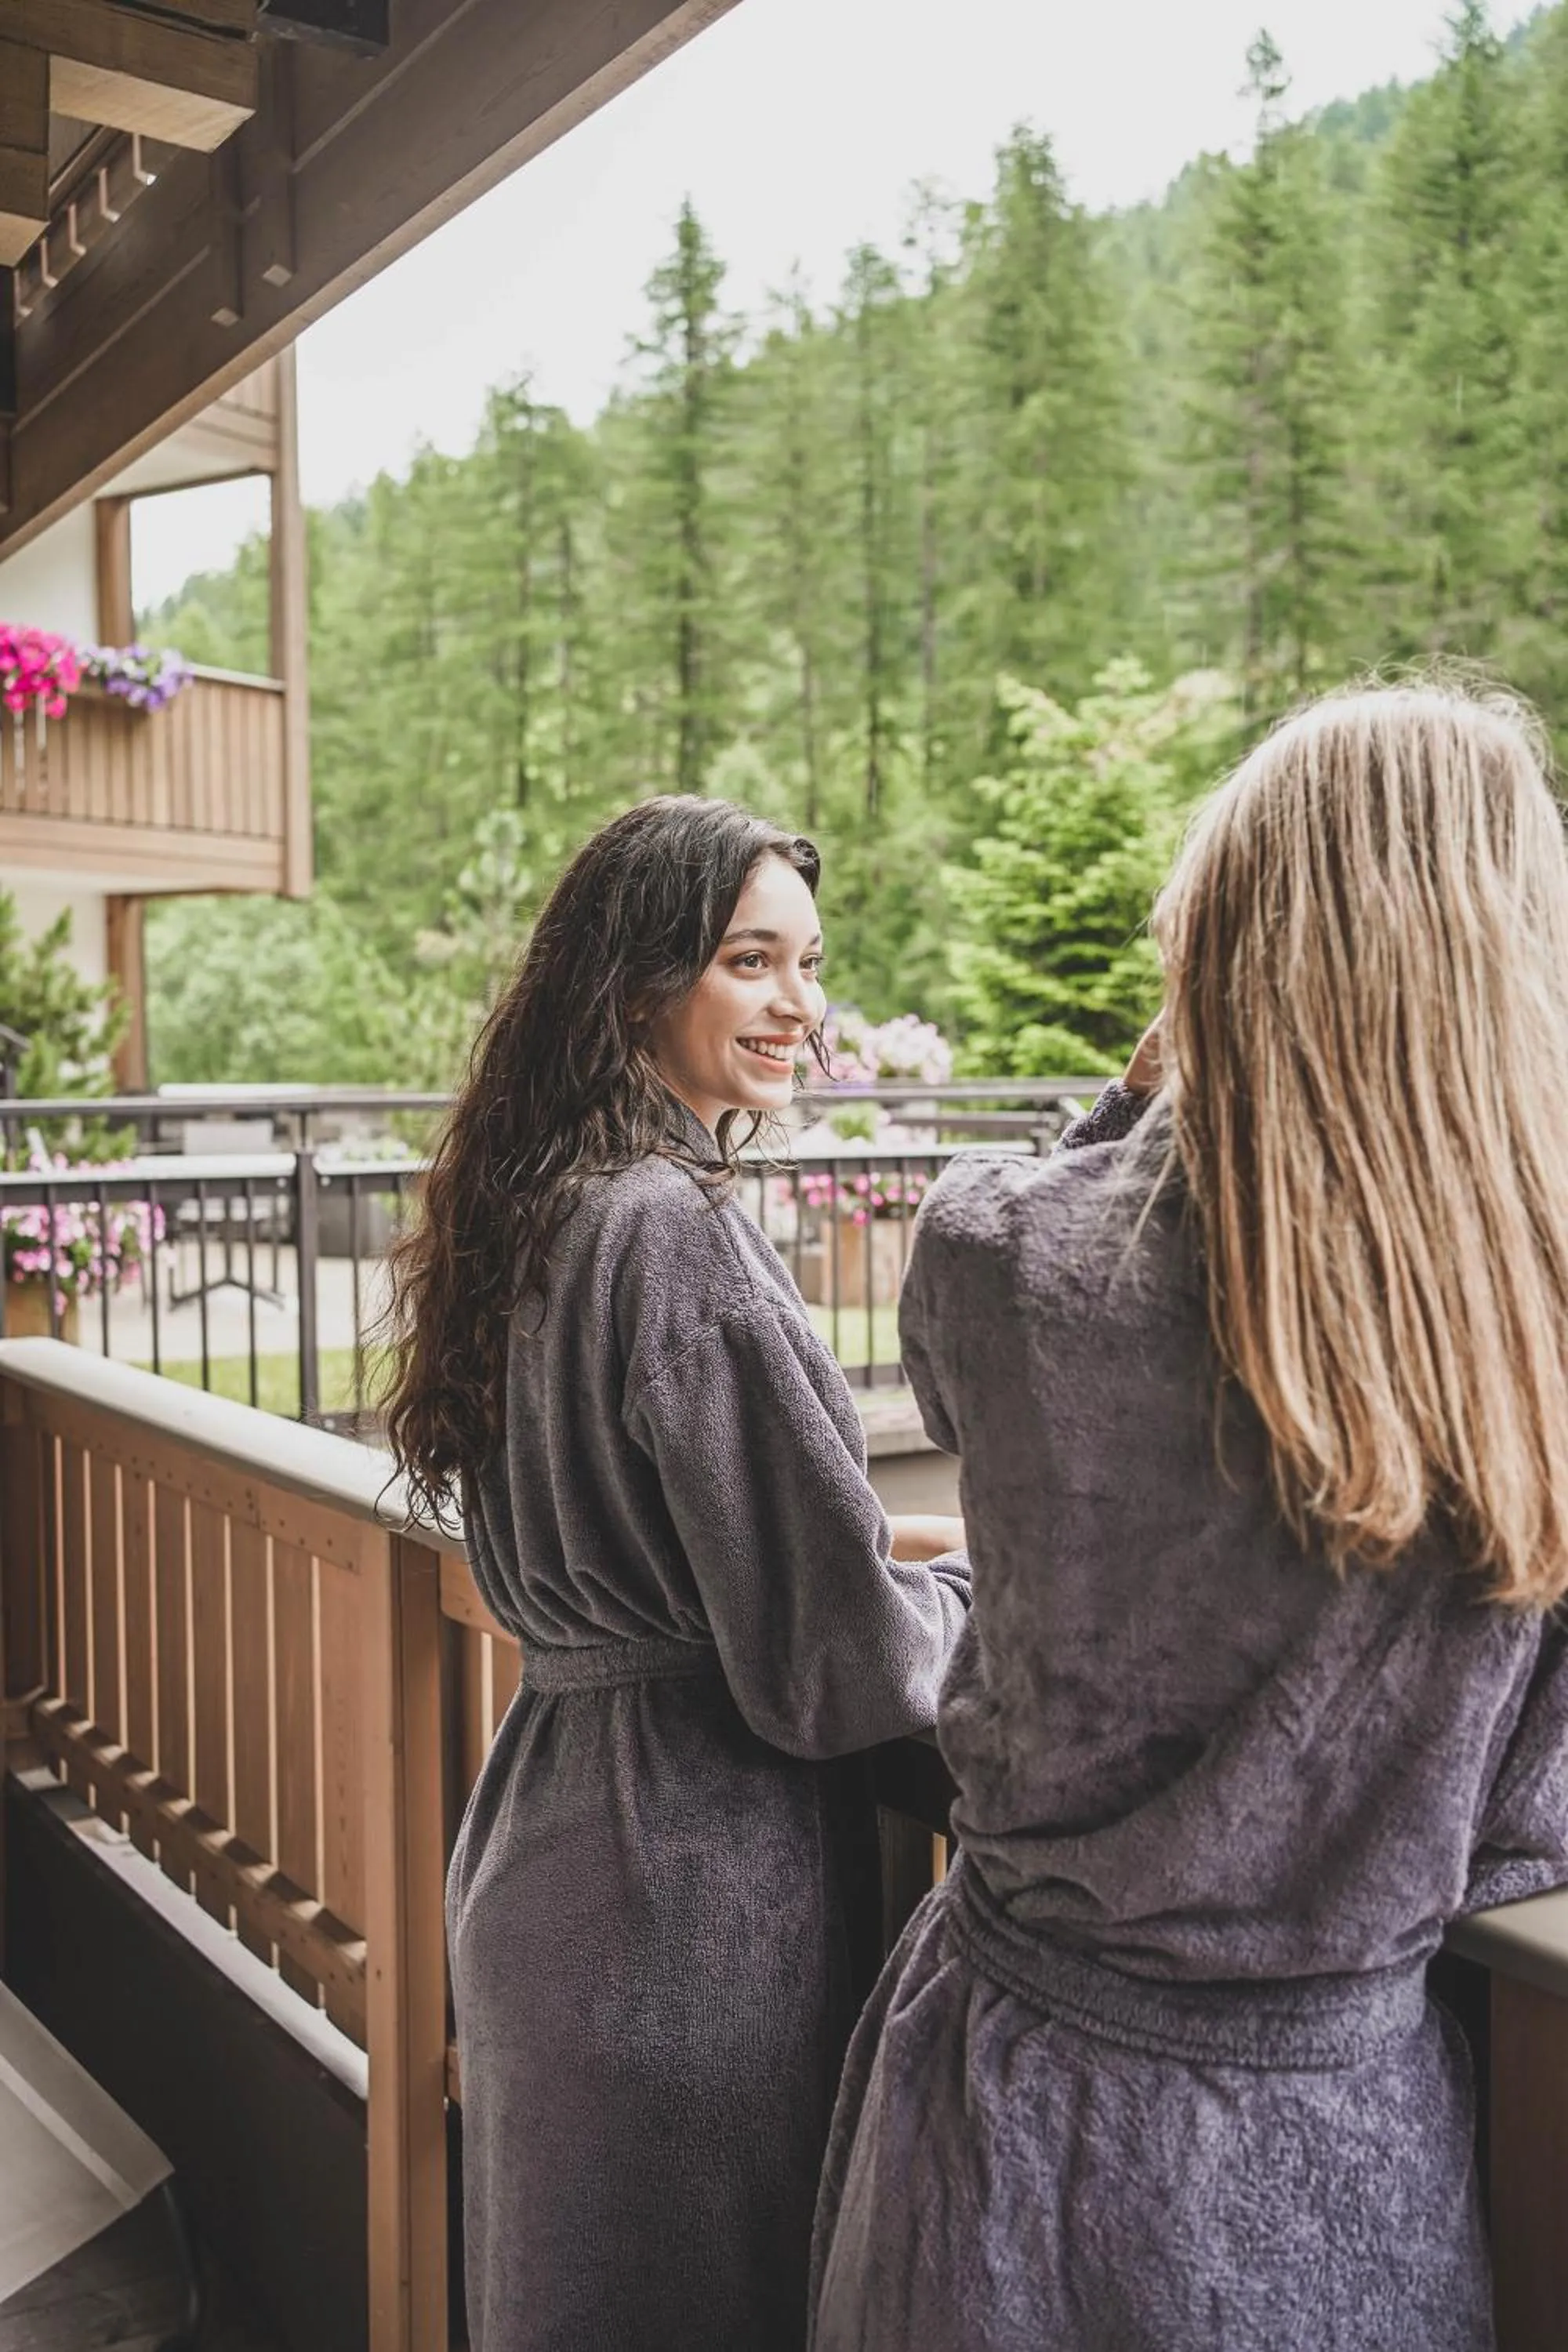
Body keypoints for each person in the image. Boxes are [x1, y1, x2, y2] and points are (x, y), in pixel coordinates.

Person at [810, 678, 1568, 2352]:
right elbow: (1531, 1825)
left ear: (1216, 933)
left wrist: (1151, 1094)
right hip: (1331, 2162)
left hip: (1000, 2107)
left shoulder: (1005, 1255)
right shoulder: (1532, 1335)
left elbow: (975, 1371)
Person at [379, 796, 968, 2352]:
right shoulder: (676, 1235)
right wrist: (980, 1603)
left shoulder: (538, 1206)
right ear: (640, 981)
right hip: (685, 1898)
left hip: (545, 1843)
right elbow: (835, 1658)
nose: (798, 1003)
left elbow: (659, 1530)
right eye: (748, 961)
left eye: (810, 965)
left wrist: (894, 1537)